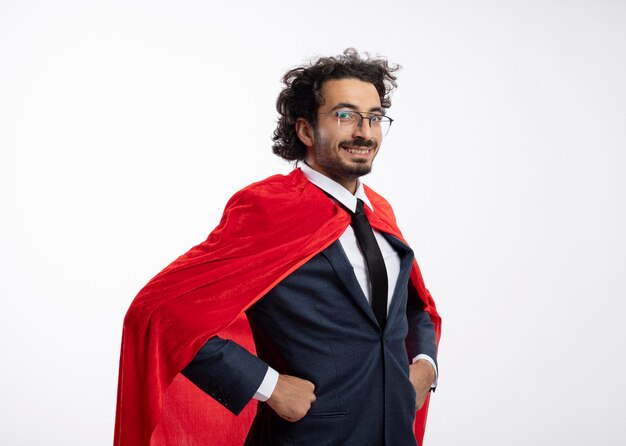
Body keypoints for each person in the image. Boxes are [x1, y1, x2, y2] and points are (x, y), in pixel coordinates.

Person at [114, 49, 441, 446]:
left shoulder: (378, 211)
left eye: (374, 118)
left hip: (393, 433)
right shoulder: (266, 206)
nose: (365, 132)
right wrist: (268, 386)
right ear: (305, 130)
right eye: (345, 115)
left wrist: (425, 364)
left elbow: (411, 305)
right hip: (308, 437)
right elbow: (158, 313)